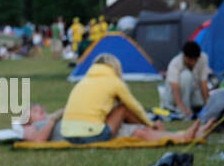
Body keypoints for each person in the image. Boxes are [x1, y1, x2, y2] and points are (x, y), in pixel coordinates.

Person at [59, 54, 206, 145]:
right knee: (125, 112)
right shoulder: (113, 81)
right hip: (90, 135)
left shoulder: (83, 82)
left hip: (67, 134)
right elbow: (134, 107)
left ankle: (171, 133)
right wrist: (150, 123)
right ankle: (171, 134)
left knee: (127, 120)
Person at [164, 41, 210, 117]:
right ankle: (181, 108)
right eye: (190, 60)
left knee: (200, 103)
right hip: (174, 95)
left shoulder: (203, 58)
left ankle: (189, 108)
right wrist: (182, 108)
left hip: (192, 92)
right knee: (187, 75)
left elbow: (203, 82)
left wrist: (207, 105)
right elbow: (175, 88)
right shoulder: (175, 63)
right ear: (184, 56)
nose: (193, 63)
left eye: (195, 60)